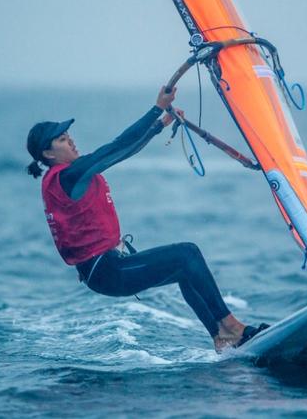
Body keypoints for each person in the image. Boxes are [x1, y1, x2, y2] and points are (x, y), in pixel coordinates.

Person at [26, 86, 267, 352]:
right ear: (48, 154)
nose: (70, 141)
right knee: (187, 254)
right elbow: (116, 148)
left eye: (68, 135)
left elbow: (124, 152)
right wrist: (157, 109)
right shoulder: (67, 176)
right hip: (106, 271)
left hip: (110, 266)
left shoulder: (71, 173)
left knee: (184, 269)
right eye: (61, 140)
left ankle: (221, 338)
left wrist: (159, 126)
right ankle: (233, 327)